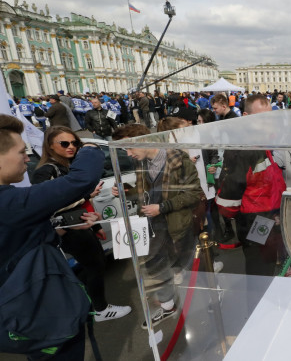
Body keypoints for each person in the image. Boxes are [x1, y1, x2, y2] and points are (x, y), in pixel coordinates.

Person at [0, 114, 104, 360]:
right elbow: (81, 179)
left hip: (31, 312)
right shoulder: (8, 203)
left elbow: (17, 241)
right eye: (21, 152)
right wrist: (89, 146)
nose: (27, 158)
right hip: (45, 313)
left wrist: (62, 227)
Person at [30, 126, 132, 323]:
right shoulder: (46, 170)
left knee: (96, 264)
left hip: (81, 225)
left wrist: (95, 225)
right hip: (70, 230)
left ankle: (84, 301)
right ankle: (101, 309)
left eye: (75, 143)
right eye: (64, 143)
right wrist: (83, 198)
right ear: (50, 146)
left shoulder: (69, 166)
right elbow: (46, 203)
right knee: (95, 266)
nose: (71, 147)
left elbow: (78, 200)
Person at [111, 124, 205, 329]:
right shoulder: (141, 162)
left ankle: (197, 304)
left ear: (144, 141)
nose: (128, 154)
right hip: (151, 225)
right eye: (125, 150)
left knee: (182, 263)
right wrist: (127, 191)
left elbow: (193, 194)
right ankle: (168, 305)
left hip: (175, 223)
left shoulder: (179, 160)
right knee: (156, 266)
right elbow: (145, 190)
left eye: (130, 148)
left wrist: (162, 207)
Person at [216, 94, 287, 276]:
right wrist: (251, 218)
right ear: (247, 118)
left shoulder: (261, 142)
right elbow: (229, 197)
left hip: (268, 217)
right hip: (255, 221)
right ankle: (258, 302)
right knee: (259, 270)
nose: (268, 123)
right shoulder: (243, 149)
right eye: (262, 119)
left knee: (267, 266)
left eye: (270, 118)